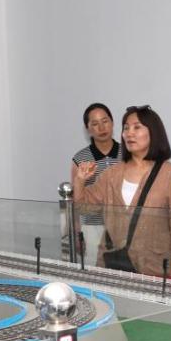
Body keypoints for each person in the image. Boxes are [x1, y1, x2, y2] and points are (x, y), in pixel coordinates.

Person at [72, 105, 171, 276]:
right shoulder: (112, 174)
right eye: (126, 128)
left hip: (154, 269)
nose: (129, 133)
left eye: (137, 127)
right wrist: (80, 180)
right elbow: (84, 207)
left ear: (153, 132)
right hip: (111, 266)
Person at [71, 103, 121, 266]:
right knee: (95, 273)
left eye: (105, 121)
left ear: (112, 122)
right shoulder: (80, 158)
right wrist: (77, 233)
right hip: (93, 226)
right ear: (88, 129)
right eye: (95, 124)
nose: (101, 127)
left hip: (123, 226)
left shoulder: (128, 154)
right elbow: (75, 198)